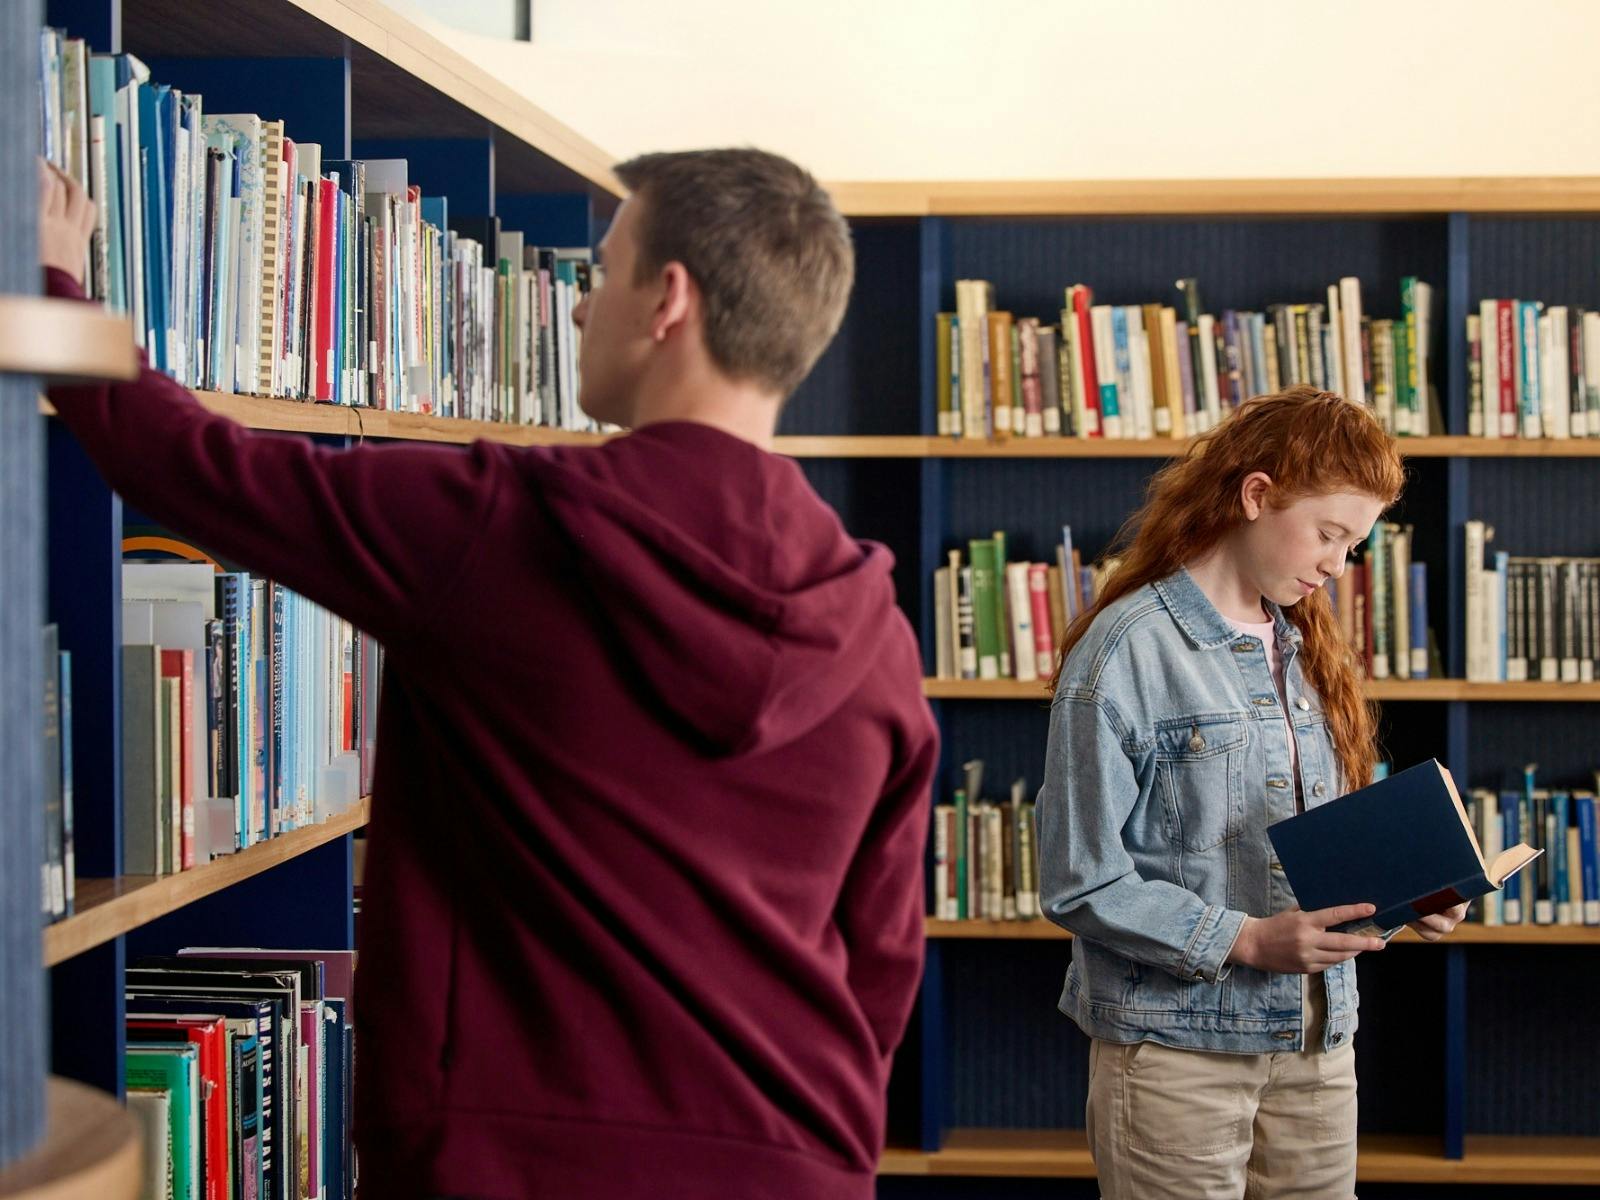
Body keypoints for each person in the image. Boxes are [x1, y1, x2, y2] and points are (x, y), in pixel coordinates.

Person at [39, 149, 937, 1199]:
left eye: (602, 274)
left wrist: (59, 287)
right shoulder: (874, 631)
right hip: (793, 1159)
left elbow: (193, 467)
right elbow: (879, 955)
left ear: (668, 300)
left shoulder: (499, 526)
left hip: (512, 1162)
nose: (576, 312)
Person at [1036, 387, 1467, 1199]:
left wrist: (1413, 891)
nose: (1340, 564)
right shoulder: (1125, 651)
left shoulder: (1305, 643)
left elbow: (1313, 847)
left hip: (1317, 1047)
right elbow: (1079, 879)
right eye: (1330, 534)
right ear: (1256, 495)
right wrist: (1247, 941)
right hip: (1176, 1059)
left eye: (1356, 544)